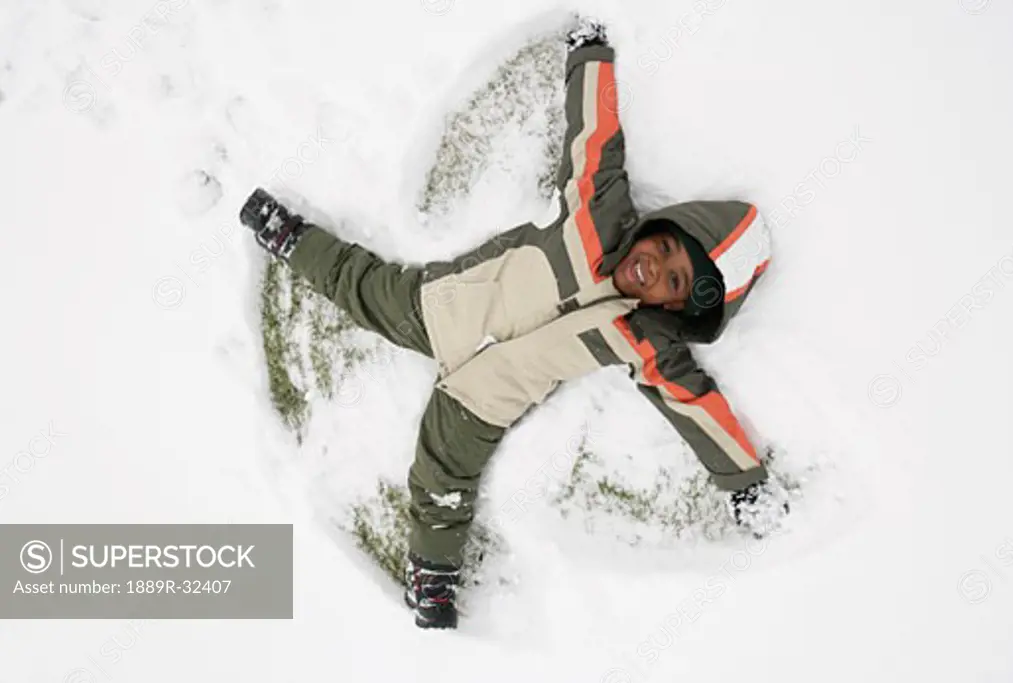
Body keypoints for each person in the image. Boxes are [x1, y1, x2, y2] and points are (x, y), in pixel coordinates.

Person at [239, 17, 785, 630]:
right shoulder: (597, 214)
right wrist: (591, 56)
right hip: (443, 307)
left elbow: (696, 406)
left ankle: (434, 580)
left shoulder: (648, 341)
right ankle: (290, 236)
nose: (653, 268)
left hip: (487, 399)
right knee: (360, 286)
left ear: (682, 309)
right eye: (667, 249)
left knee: (443, 479)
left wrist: (747, 484)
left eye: (675, 283)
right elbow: (595, 138)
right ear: (667, 226)